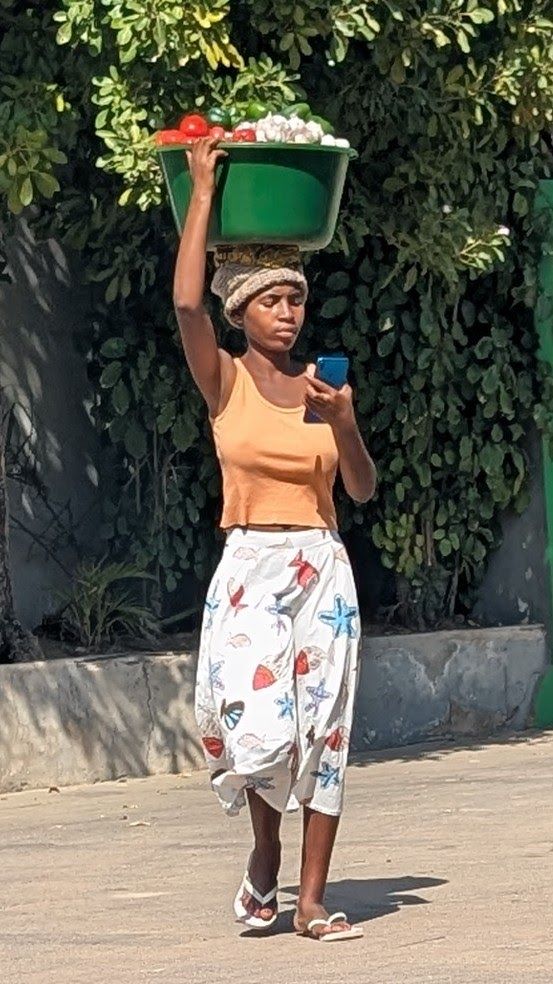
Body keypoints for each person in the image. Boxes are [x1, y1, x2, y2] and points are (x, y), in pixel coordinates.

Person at [173, 135, 377, 942]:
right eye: (271, 301)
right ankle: (266, 852)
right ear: (241, 311)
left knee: (325, 729)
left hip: (320, 565)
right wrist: (201, 189)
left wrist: (345, 424)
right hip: (251, 565)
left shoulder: (323, 389)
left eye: (295, 299)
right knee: (260, 727)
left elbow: (358, 489)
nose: (287, 313)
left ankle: (312, 901)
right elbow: (185, 307)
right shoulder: (223, 379)